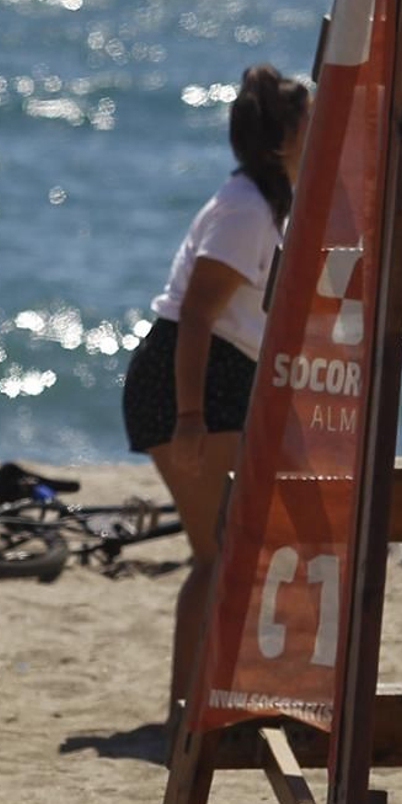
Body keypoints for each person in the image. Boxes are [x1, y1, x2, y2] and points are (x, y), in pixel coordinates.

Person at [122, 63, 310, 711]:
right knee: (217, 554)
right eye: (309, 121)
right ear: (284, 135)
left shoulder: (268, 203)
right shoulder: (246, 210)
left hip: (223, 378)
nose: (320, 131)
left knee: (233, 548)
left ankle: (204, 698)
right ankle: (187, 707)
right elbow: (196, 316)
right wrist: (191, 417)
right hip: (189, 380)